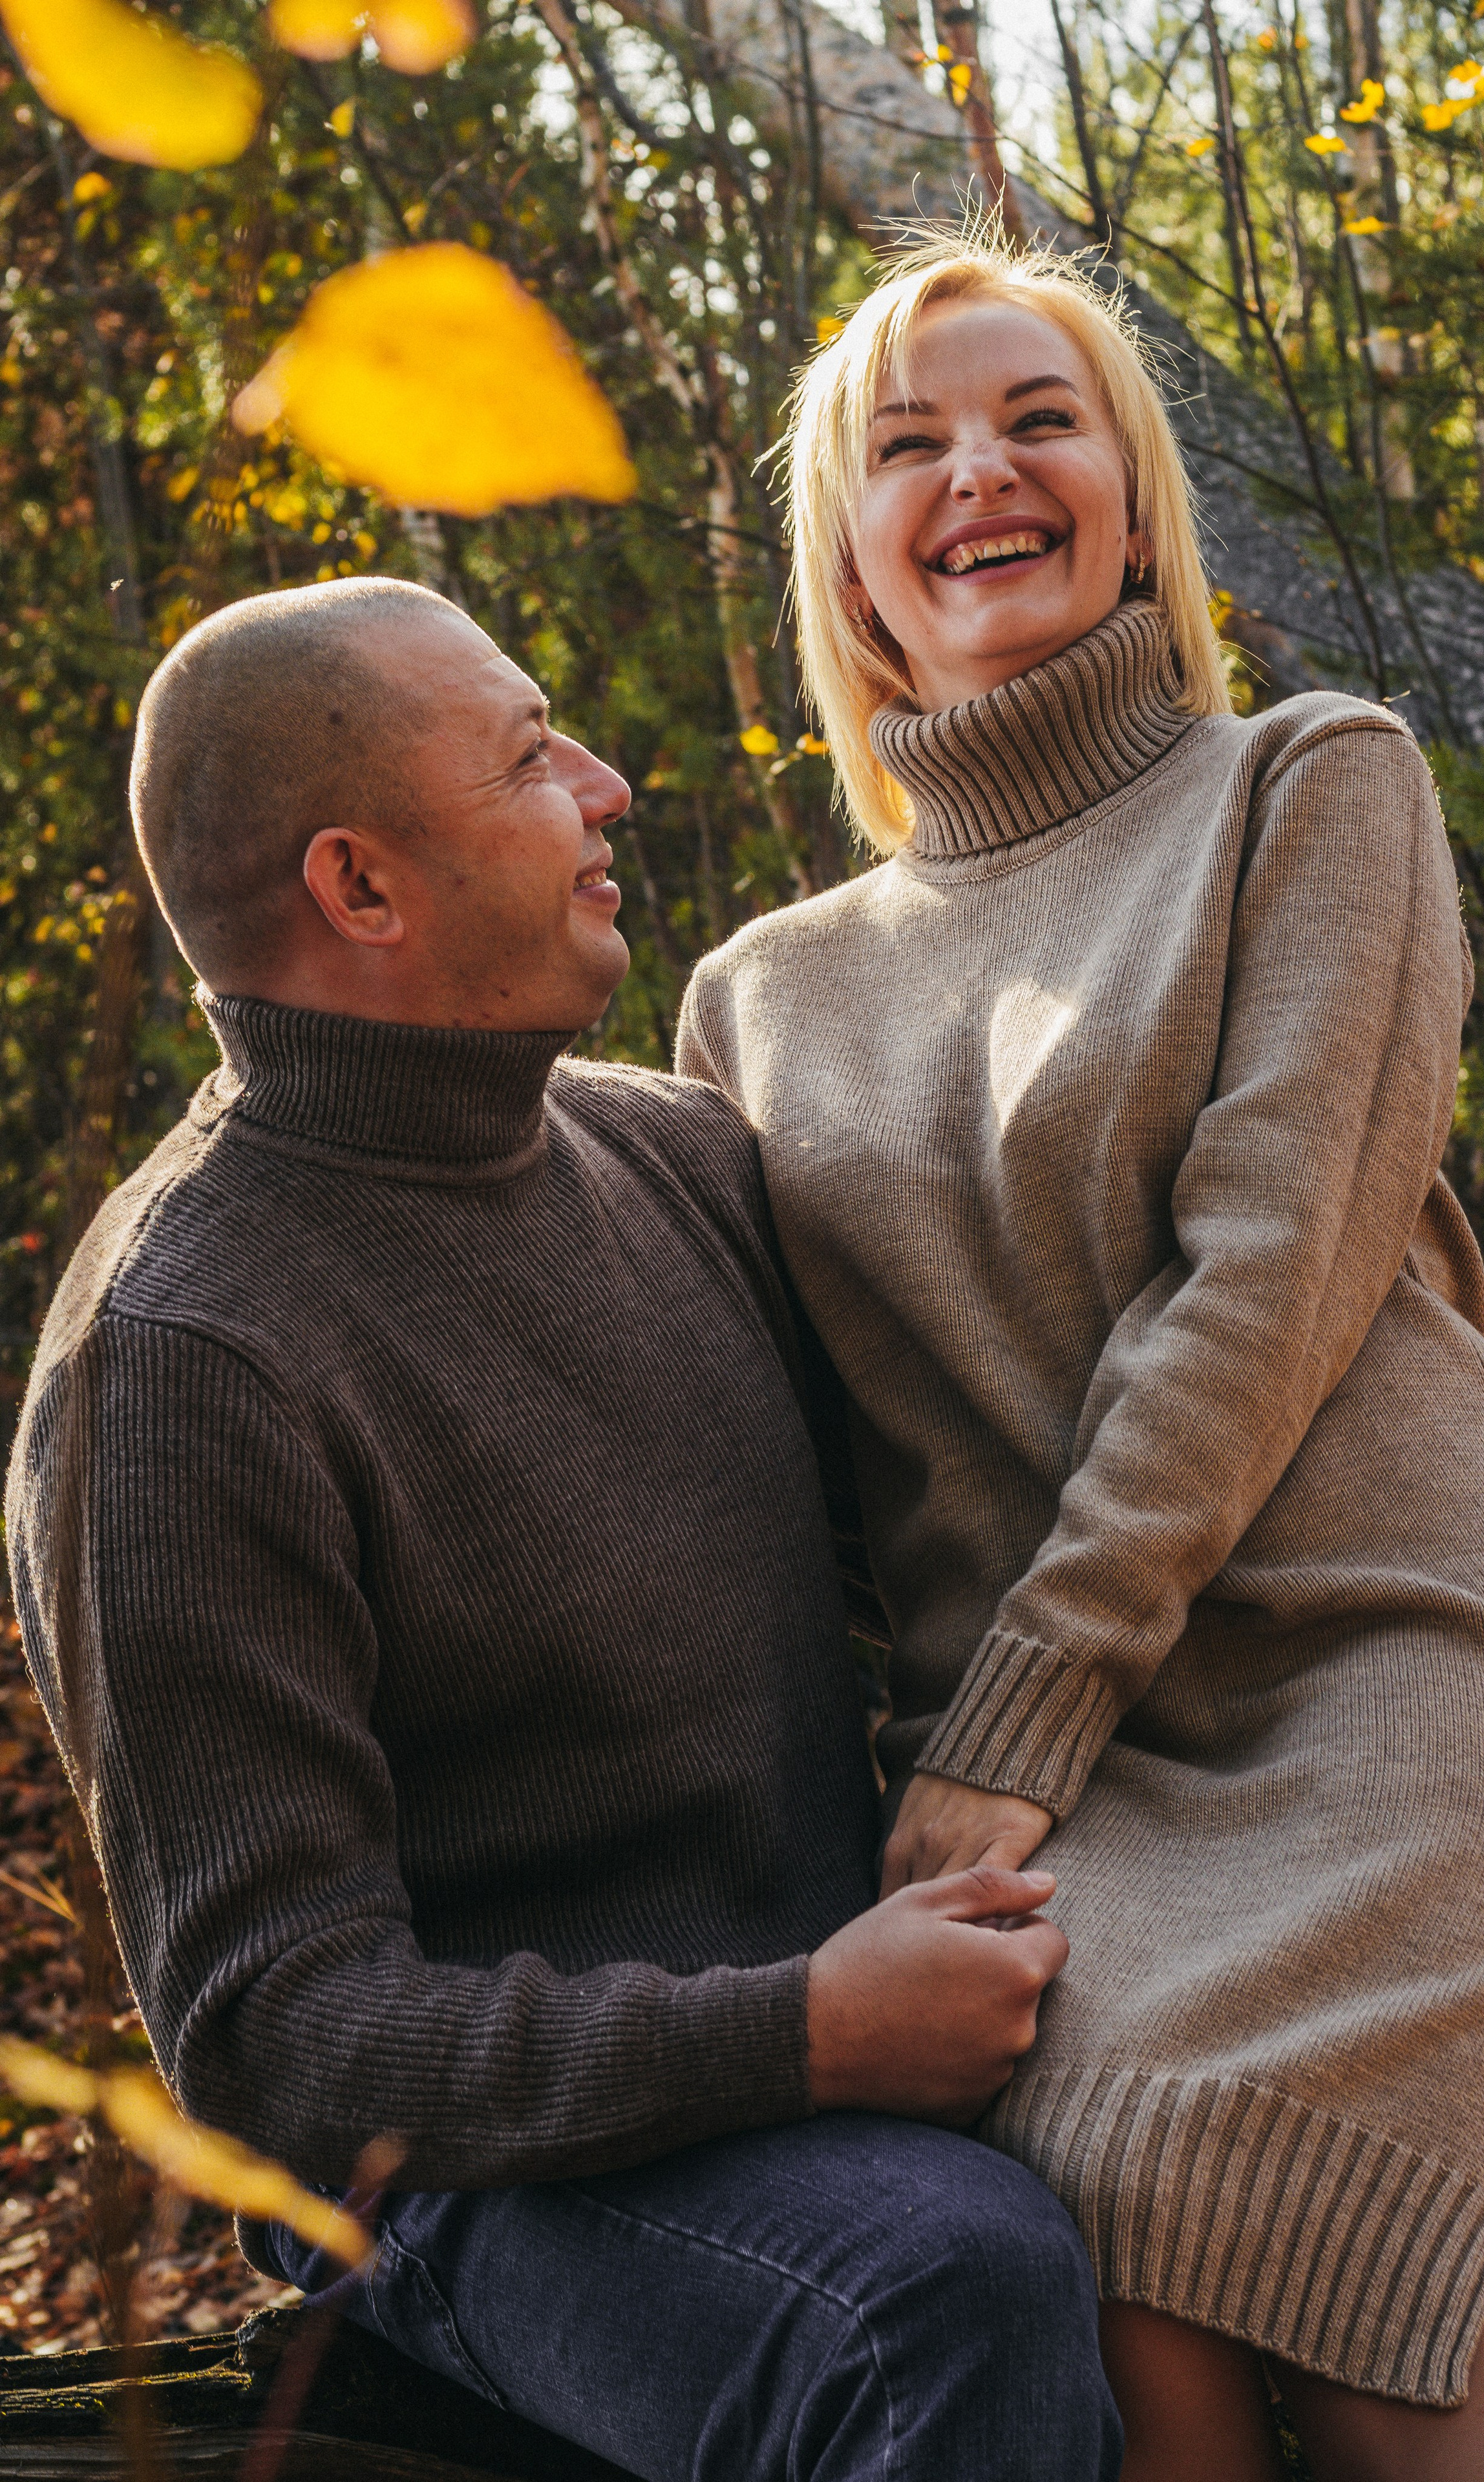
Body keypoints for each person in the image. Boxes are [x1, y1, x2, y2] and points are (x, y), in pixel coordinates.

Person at [675, 231, 1484, 2481]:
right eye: (908, 445)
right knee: (1139, 2349)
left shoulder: (1312, 787)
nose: (983, 473)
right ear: (848, 554)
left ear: (1133, 497)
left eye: (1043, 418)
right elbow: (805, 1473)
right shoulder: (756, 999)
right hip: (1070, 1810)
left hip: (1397, 1696)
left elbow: (1266, 1272)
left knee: (1401, 2384)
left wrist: (1013, 1718)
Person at [5, 577, 1123, 2482]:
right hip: (478, 2181)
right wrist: (802, 2040)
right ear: (364, 889)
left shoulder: (670, 1159)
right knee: (948, 2286)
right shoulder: (187, 1358)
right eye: (531, 758)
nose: (604, 786)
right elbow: (274, 2033)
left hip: (840, 2010)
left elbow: (981, 1524)